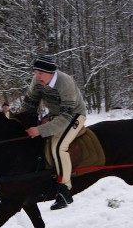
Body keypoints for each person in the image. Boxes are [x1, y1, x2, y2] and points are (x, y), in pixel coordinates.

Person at [22, 55, 87, 210]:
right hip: (54, 115)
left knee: (58, 147)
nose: (37, 76)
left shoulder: (66, 83)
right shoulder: (36, 81)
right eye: (35, 72)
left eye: (40, 73)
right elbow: (29, 103)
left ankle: (65, 190)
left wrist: (39, 130)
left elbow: (65, 117)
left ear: (51, 73)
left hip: (74, 115)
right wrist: (19, 122)